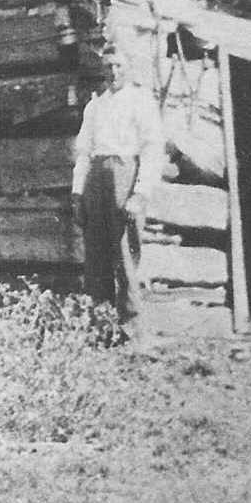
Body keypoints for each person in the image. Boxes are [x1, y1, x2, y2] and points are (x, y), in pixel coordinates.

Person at [71, 44, 165, 323]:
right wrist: (77, 194)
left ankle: (131, 328)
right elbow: (83, 152)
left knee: (125, 255)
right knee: (96, 255)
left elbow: (152, 149)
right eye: (109, 66)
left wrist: (139, 194)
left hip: (125, 175)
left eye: (119, 66)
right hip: (96, 178)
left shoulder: (141, 101)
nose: (113, 72)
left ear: (129, 68)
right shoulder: (95, 106)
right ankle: (101, 326)